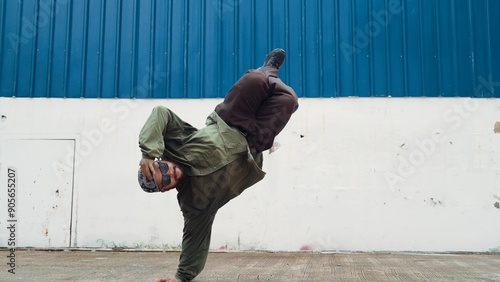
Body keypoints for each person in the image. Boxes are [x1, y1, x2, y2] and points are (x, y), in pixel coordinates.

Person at [138, 48, 298, 282]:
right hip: (254, 144)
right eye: (164, 180)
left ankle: (268, 67)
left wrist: (148, 153)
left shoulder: (174, 146)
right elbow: (194, 241)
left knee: (255, 79)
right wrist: (181, 278)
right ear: (166, 189)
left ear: (162, 161)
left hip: (232, 117)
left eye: (162, 167)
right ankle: (269, 73)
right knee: (289, 99)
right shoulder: (195, 204)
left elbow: (160, 113)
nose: (168, 172)